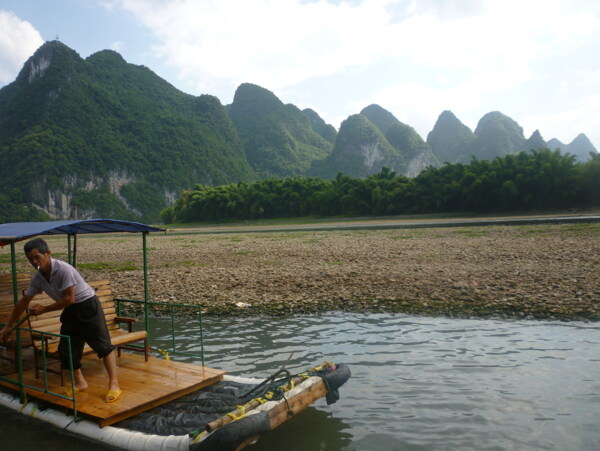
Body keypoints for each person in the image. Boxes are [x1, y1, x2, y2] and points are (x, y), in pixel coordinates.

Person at [0, 238, 121, 403]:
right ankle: (80, 383)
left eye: (37, 257)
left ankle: (114, 384)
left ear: (48, 253)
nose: (34, 262)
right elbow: (24, 302)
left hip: (87, 306)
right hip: (70, 310)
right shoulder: (38, 278)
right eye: (30, 259)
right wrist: (8, 326)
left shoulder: (63, 269)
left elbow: (69, 299)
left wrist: (44, 309)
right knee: (67, 349)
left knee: (103, 346)